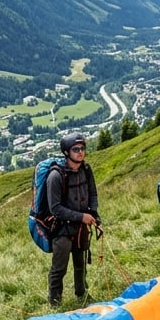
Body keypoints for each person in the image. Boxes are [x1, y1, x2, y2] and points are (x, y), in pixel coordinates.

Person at [47, 132, 99, 307]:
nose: (80, 152)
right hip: (62, 229)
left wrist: (93, 212)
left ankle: (82, 294)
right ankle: (55, 303)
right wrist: (81, 216)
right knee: (59, 268)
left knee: (81, 263)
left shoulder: (86, 169)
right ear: (66, 152)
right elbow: (55, 208)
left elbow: (92, 193)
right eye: (75, 149)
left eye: (83, 148)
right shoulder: (56, 176)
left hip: (81, 227)